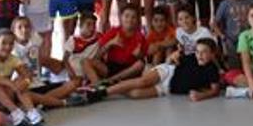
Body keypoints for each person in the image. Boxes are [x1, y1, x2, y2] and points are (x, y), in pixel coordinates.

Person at [85, 38, 222, 102]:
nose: (200, 55)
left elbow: (215, 89)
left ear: (212, 54)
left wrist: (201, 96)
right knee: (142, 82)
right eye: (198, 52)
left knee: (135, 94)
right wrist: (171, 57)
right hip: (167, 73)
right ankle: (102, 93)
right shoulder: (191, 57)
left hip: (167, 89)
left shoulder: (212, 70)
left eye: (204, 52)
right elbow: (170, 62)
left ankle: (114, 86)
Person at [0, 29, 44, 126]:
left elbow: (27, 74)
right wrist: (9, 82)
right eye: (3, 43)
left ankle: (31, 112)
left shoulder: (13, 59)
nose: (7, 47)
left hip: (6, 97)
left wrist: (26, 81)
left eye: (11, 44)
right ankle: (14, 111)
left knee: (21, 81)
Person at [83, 5, 146, 86]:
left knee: (141, 64)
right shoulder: (113, 31)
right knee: (85, 61)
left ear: (137, 20)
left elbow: (143, 59)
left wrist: (139, 54)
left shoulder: (140, 36)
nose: (130, 20)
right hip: (110, 66)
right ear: (121, 17)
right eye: (127, 16)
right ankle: (97, 86)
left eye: (133, 17)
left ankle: (110, 81)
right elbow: (97, 56)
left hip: (128, 70)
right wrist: (110, 43)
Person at [212, 0, 253, 68]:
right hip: (232, 41)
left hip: (249, 40)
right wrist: (222, 37)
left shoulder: (252, 3)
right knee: (234, 66)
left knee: (249, 65)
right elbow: (215, 23)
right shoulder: (225, 4)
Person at [63, 12, 101, 78]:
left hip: (89, 71)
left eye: (94, 25)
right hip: (75, 74)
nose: (92, 28)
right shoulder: (73, 40)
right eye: (88, 24)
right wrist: (71, 73)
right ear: (80, 25)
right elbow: (65, 59)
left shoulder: (99, 38)